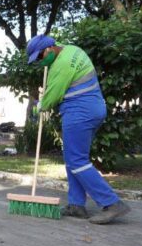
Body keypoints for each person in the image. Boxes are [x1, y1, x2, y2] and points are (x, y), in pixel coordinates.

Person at [27, 34, 131, 224]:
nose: (40, 62)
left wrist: (40, 105)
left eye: (40, 57)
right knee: (73, 158)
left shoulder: (60, 65)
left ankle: (112, 203)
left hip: (79, 111)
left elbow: (52, 97)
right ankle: (76, 205)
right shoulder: (73, 50)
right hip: (93, 108)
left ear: (49, 49)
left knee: (77, 160)